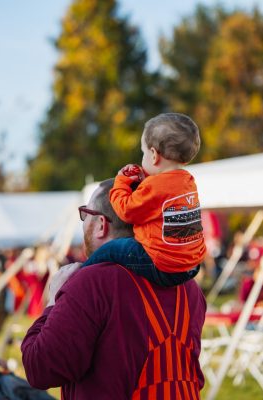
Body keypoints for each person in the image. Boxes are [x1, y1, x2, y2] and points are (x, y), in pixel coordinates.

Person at [21, 179, 206, 400]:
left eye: (85, 214)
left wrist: (52, 302)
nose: (83, 223)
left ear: (101, 224)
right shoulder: (188, 287)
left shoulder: (91, 282)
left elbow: (40, 368)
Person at [83, 113, 206, 287]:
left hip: (163, 268)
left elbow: (126, 210)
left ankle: (79, 276)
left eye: (143, 153)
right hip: (191, 266)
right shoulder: (187, 182)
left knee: (111, 249)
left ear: (154, 155)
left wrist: (122, 180)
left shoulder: (156, 187)